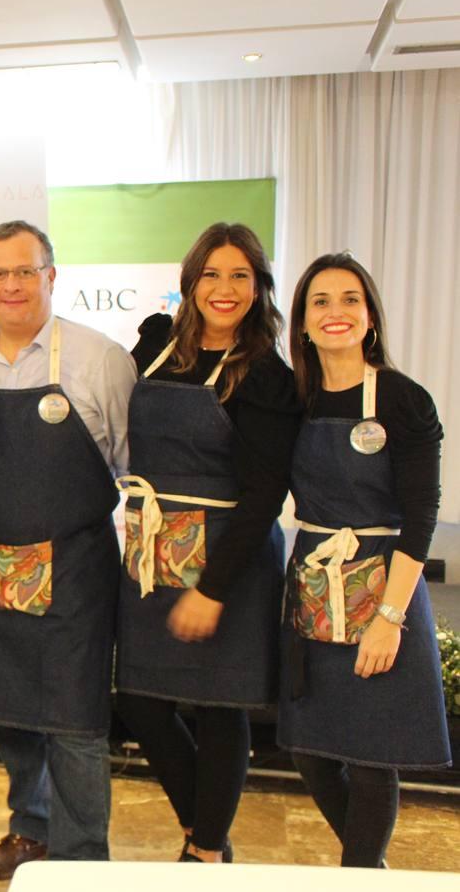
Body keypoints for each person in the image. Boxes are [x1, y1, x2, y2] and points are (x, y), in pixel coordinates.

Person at [0, 221, 134, 880]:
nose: (12, 285)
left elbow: (129, 470)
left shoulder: (100, 359)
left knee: (76, 722)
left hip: (76, 569)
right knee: (9, 712)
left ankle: (85, 859)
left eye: (25, 271)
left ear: (52, 276)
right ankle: (31, 828)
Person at [113, 223, 300, 863]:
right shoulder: (156, 341)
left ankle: (205, 848)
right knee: (139, 699)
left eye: (240, 276)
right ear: (190, 281)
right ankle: (206, 831)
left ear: (259, 287)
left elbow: (264, 496)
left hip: (230, 555)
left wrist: (213, 588)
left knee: (221, 706)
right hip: (153, 550)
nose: (224, 289)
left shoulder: (268, 377)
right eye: (212, 275)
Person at [279, 252, 450, 867]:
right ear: (301, 322)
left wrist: (390, 616)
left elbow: (421, 517)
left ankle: (358, 875)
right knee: (310, 748)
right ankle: (369, 871)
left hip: (385, 581)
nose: (335, 312)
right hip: (313, 580)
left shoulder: (405, 401)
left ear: (371, 316)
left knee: (373, 755)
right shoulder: (292, 399)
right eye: (320, 301)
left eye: (350, 299)